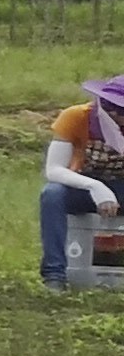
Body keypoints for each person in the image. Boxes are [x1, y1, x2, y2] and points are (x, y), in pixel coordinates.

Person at [47, 79, 124, 283]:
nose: (117, 116)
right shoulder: (76, 117)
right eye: (111, 107)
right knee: (52, 195)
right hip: (84, 187)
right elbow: (53, 169)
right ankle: (54, 274)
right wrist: (95, 186)